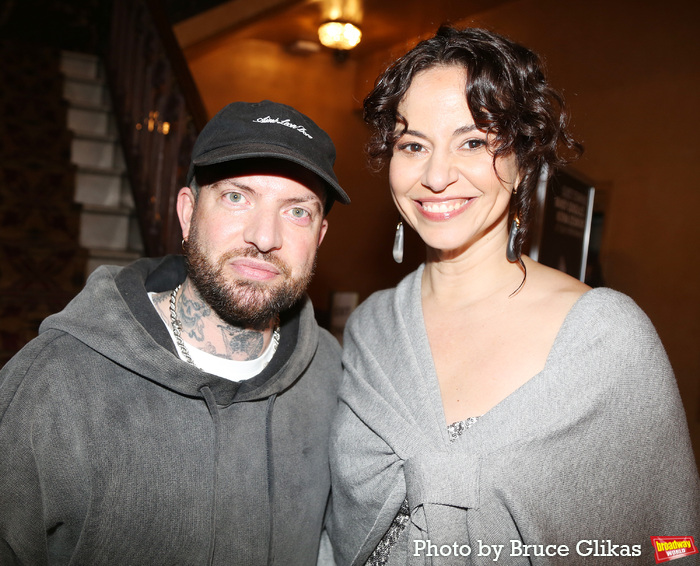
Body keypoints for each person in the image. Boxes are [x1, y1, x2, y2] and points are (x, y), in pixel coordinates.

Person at [326, 27, 699, 565]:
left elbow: (675, 543)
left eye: (473, 141)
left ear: (523, 159)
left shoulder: (606, 338)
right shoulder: (370, 327)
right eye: (413, 145)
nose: (435, 175)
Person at [0, 100, 350, 565]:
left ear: (320, 236)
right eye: (236, 197)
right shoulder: (55, 380)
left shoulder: (333, 377)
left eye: (297, 212)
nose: (265, 237)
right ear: (187, 213)